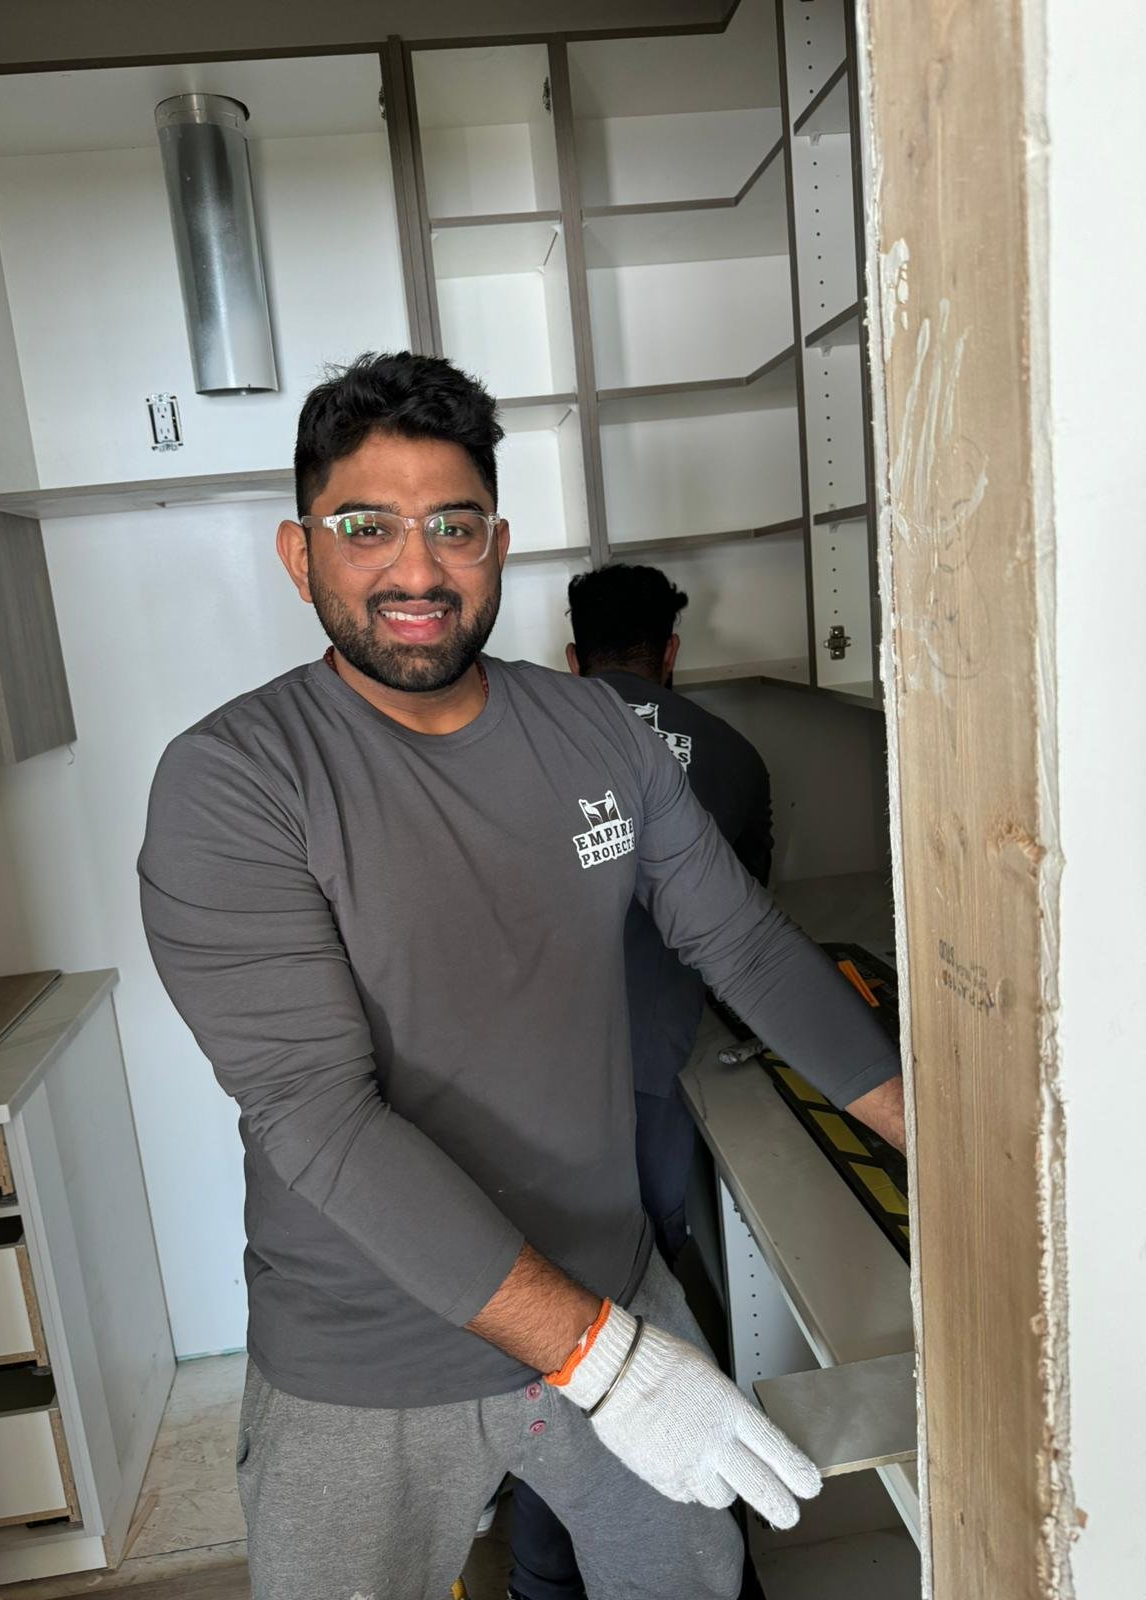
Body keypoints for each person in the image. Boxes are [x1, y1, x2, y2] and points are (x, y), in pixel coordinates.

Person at [138, 351, 906, 1600]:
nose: (417, 569)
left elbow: (747, 945)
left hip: (612, 1282)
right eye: (366, 526)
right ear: (299, 552)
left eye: (453, 525)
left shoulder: (598, 732)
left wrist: (938, 1143)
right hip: (368, 1357)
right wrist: (611, 1365)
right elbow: (318, 1118)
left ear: (497, 544)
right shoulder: (234, 781)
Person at [506, 565, 777, 1600]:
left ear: (574, 655)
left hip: (526, 1097)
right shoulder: (736, 756)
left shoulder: (517, 742)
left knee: (556, 1318)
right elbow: (747, 945)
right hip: (660, 1083)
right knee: (644, 1305)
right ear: (670, 653)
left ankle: (547, 1570)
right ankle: (693, 1549)